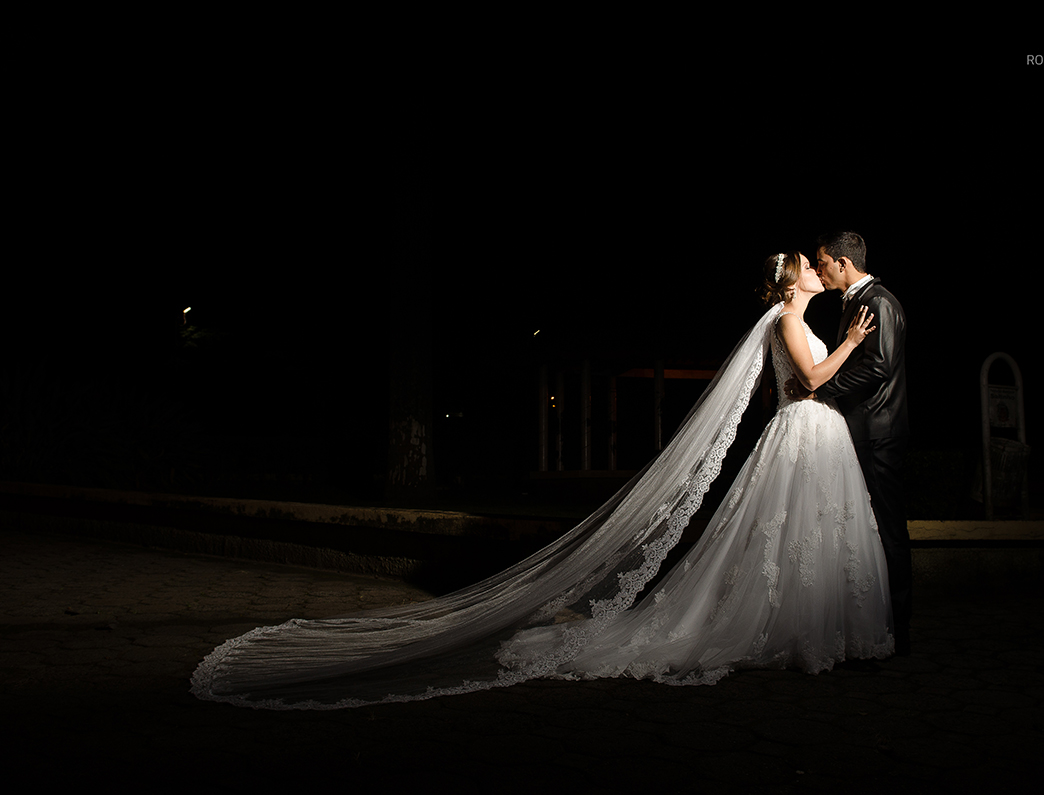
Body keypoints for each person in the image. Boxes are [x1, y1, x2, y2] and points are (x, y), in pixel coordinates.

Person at [192, 253, 894, 709]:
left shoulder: (789, 315)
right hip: (804, 430)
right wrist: (856, 346)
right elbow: (811, 378)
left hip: (807, 437)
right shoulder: (793, 319)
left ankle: (804, 624)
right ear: (791, 281)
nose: (813, 270)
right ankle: (795, 630)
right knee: (791, 536)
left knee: (796, 538)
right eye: (806, 265)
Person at [787, 231, 911, 655]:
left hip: (878, 433)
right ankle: (866, 626)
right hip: (857, 431)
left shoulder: (878, 302)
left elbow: (879, 365)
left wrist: (821, 389)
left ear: (842, 263)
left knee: (888, 531)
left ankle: (898, 630)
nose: (819, 270)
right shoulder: (854, 303)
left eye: (822, 262)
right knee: (865, 532)